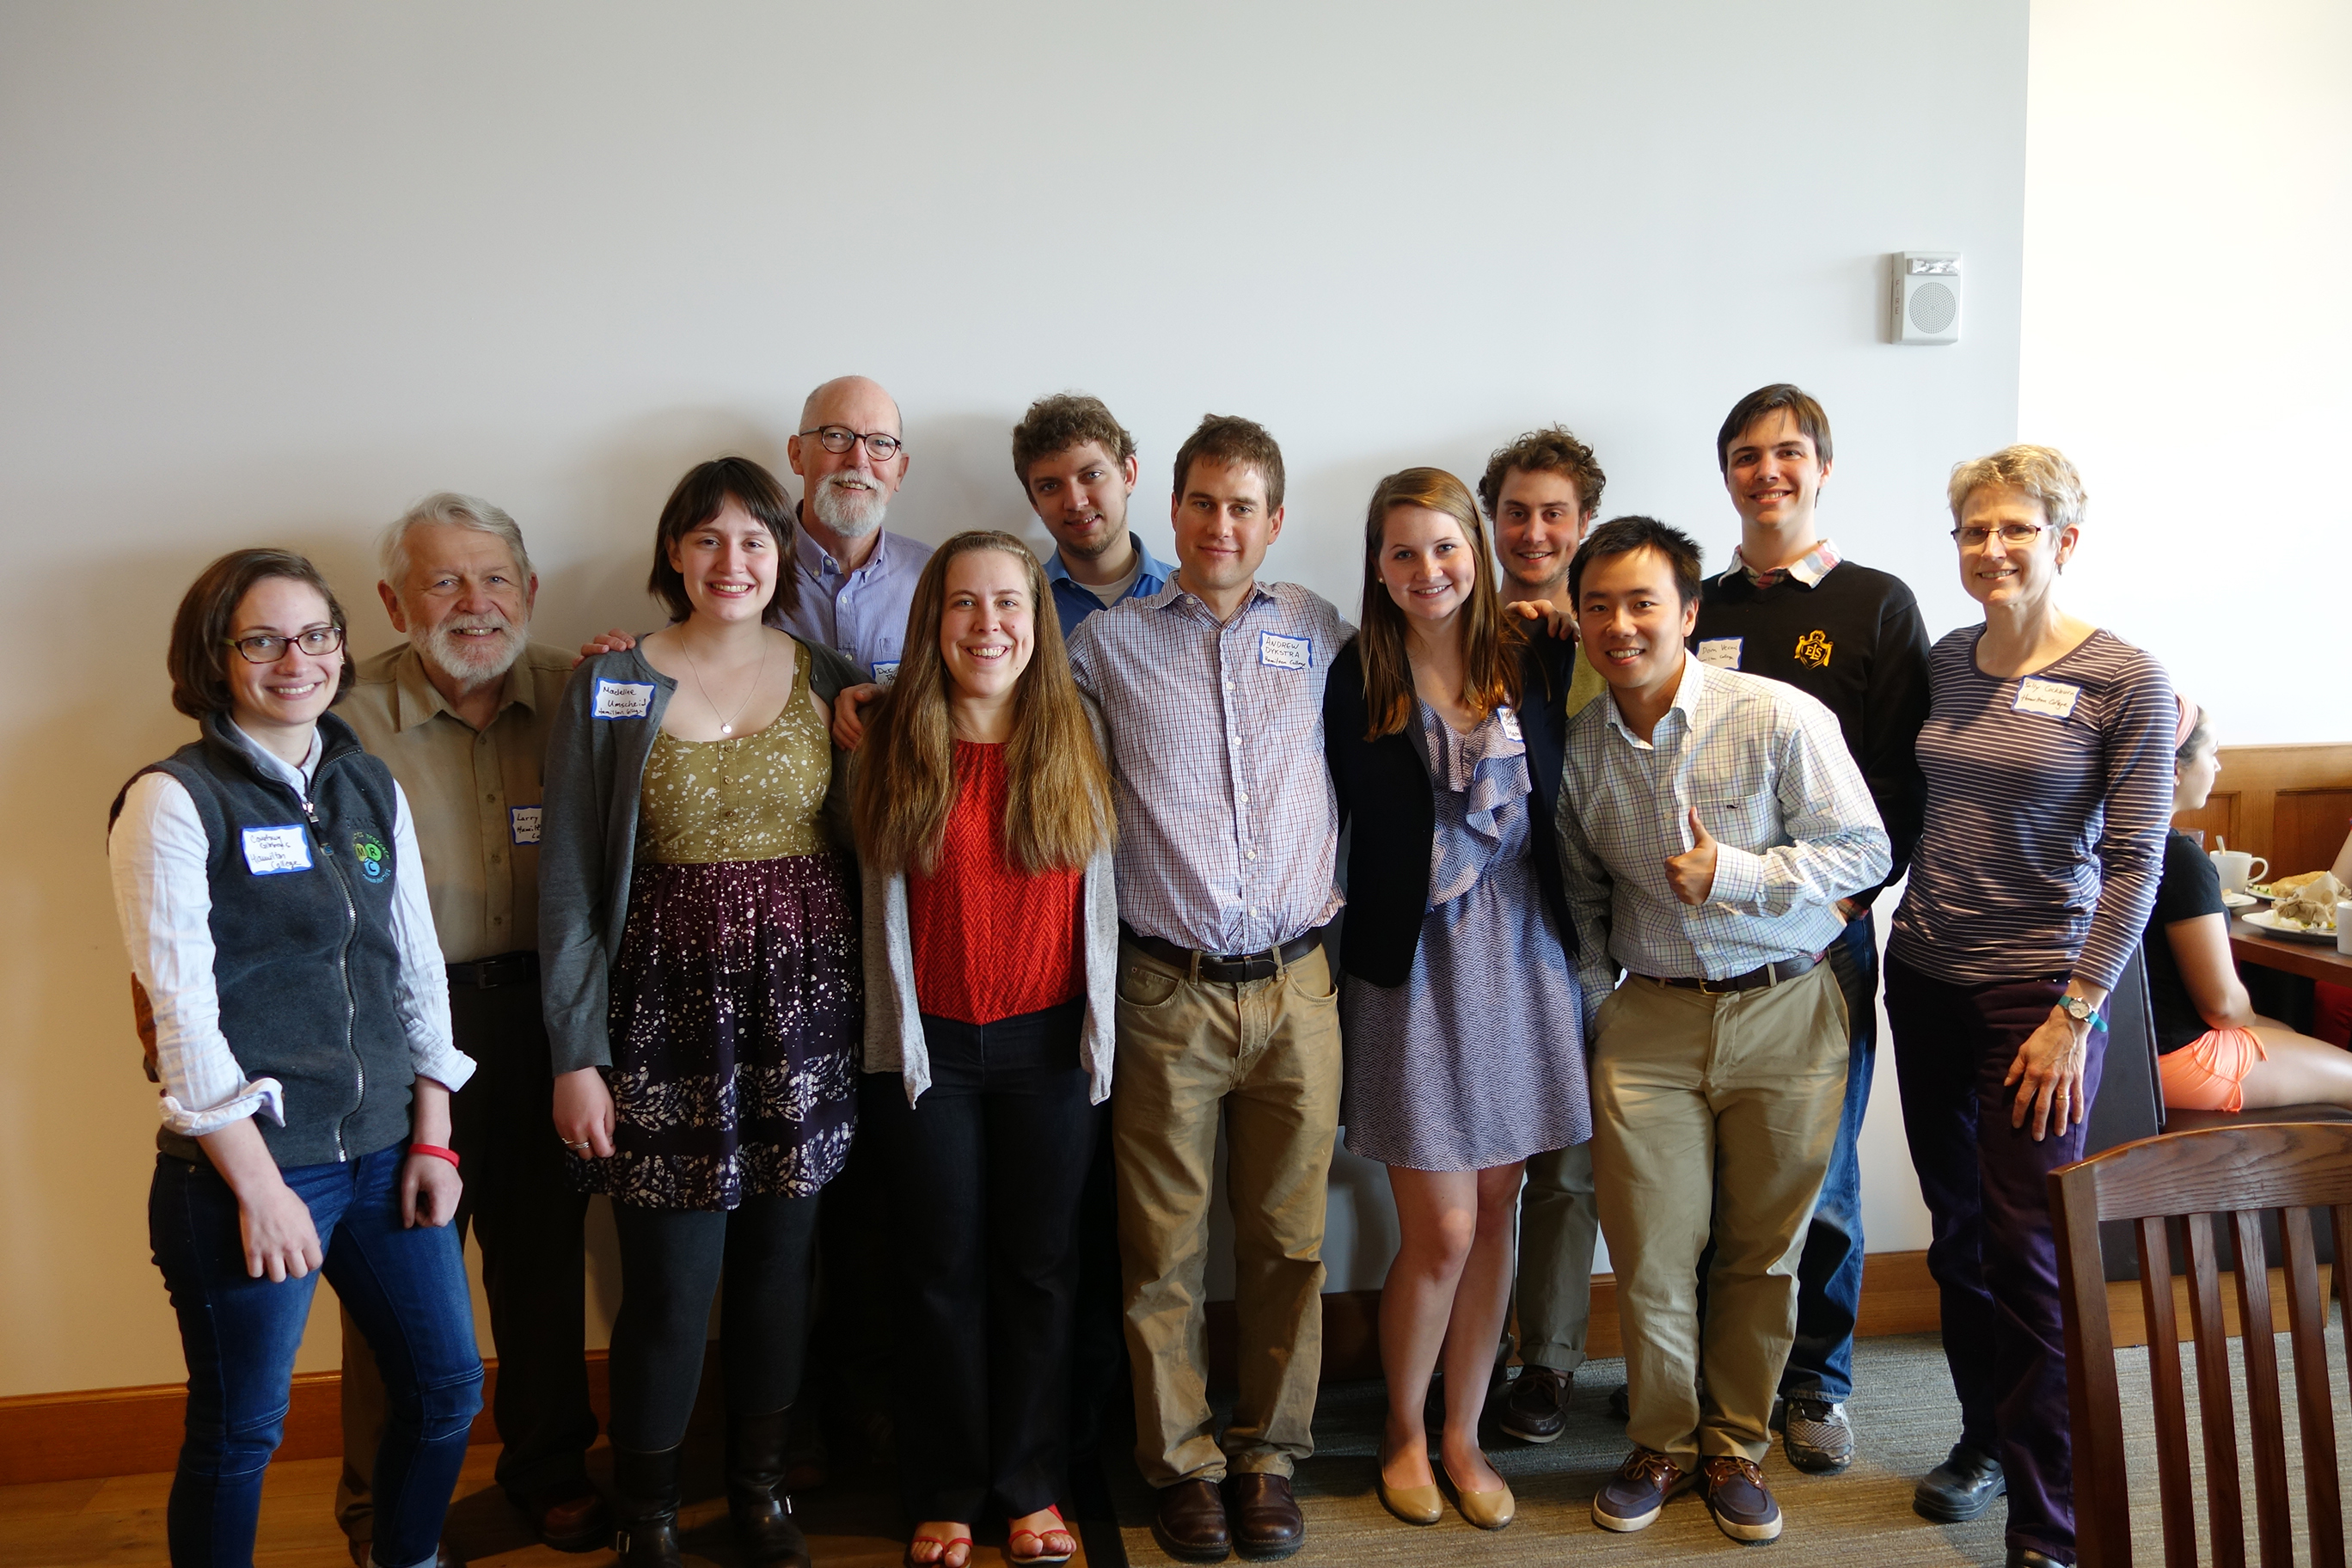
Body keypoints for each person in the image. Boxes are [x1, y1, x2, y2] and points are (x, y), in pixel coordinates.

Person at [109, 548, 482, 1568]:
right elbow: (180, 1017)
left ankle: (404, 1557)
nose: (295, 660)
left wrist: (434, 1137)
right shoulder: (174, 802)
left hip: (386, 1154)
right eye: (263, 640)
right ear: (214, 657)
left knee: (448, 1390)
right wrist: (262, 1186)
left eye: (315, 635)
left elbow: (417, 966)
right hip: (250, 1170)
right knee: (241, 1436)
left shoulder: (366, 784)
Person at [539, 456, 867, 1568]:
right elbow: (575, 887)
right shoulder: (612, 684)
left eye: (756, 543)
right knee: (669, 1287)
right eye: (709, 540)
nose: (734, 563)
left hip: (804, 1019)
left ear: (783, 558)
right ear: (673, 553)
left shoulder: (831, 673)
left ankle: (763, 1491)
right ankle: (650, 1514)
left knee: (782, 1273)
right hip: (660, 1026)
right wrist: (576, 1053)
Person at [1556, 518, 1889, 1545]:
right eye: (1600, 605)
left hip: (1787, 1009)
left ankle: (1735, 1446)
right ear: (1579, 620)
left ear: (1690, 614)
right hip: (1649, 1021)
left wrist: (1737, 873)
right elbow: (1579, 900)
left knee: (1762, 1251)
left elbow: (1864, 847)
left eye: (1643, 602)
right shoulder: (1578, 747)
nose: (1621, 625)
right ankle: (1660, 1440)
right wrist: (1602, 1005)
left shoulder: (1776, 715)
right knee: (1653, 1251)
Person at [1065, 413, 1349, 1563]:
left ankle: (1271, 1455)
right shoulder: (1105, 647)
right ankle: (1179, 1463)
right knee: (1163, 1246)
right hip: (1165, 993)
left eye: (1245, 506)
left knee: (1289, 1241)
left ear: (1274, 522)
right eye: (1203, 503)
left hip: (1299, 988)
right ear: (1170, 510)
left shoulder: (1322, 631)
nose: (1221, 525)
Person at [1887, 445, 2173, 1568]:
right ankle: (1980, 1438)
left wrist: (2079, 1010)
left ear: (2064, 540)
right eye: (1972, 531)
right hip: (1925, 977)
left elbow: (2140, 860)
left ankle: (2047, 1528)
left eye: (2014, 529)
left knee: (2034, 1254)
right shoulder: (1952, 662)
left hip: (2038, 1000)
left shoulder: (2125, 679)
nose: (1990, 549)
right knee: (1959, 1235)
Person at [329, 493, 604, 1561]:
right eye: (442, 581)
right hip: (400, 1035)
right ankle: (380, 1505)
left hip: (545, 1018)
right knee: (398, 1276)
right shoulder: (344, 722)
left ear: (530, 592)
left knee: (540, 1261)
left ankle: (548, 1469)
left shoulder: (584, 696)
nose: (473, 603)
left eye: (494, 579)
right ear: (395, 601)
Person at [1323, 468, 1588, 1533]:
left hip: (1524, 955)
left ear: (1477, 551)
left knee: (1496, 1215)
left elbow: (1644, 680)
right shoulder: (1355, 671)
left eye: (1444, 548)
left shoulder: (1539, 652)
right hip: (1411, 964)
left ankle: (1465, 1435)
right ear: (1377, 567)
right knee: (1438, 1226)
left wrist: (1576, 608)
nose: (1426, 571)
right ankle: (1399, 1430)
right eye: (1401, 553)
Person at [852, 531, 1120, 1568]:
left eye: (1008, 603)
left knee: (1045, 1271)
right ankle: (948, 1488)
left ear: (1037, 621)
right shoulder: (887, 738)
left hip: (1053, 1048)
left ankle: (1033, 1484)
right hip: (929, 1059)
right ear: (933, 621)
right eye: (964, 605)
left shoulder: (1083, 730)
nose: (987, 625)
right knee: (936, 1273)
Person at [1681, 384, 1932, 1473]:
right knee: (1715, 1176)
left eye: (1788, 453)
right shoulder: (1696, 600)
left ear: (1823, 467)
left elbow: (1904, 784)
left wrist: (1837, 909)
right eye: (1746, 455)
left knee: (1819, 1173)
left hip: (1824, 939)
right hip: (1705, 937)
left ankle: (1817, 1383)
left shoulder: (1878, 603)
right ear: (1726, 472)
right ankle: (1714, 1376)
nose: (1767, 471)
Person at [1472, 426, 1613, 1446]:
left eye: (1553, 512)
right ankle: (1465, 1348)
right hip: (1484, 927)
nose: (1532, 530)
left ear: (1584, 524)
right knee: (1478, 1158)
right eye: (1515, 512)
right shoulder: (1456, 621)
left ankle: (1547, 1360)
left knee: (1569, 1158)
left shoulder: (1620, 633)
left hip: (1598, 931)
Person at [2147, 698, 2352, 1110]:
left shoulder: (2093, 844)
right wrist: (2252, 1017)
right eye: (2214, 752)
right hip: (2180, 1061)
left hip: (2118, 1054)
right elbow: (2223, 1007)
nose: (2218, 767)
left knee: (2289, 1032)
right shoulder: (2181, 859)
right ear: (2175, 768)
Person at [769, 374, 934, 682]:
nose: (858, 459)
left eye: (881, 443)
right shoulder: (744, 571)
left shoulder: (936, 576)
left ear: (900, 471)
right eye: (836, 436)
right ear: (797, 454)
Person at [1014, 392, 1179, 637]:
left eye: (1091, 475)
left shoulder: (1189, 597)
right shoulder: (1019, 608)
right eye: (1050, 486)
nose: (1076, 502)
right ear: (1034, 502)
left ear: (1128, 475)